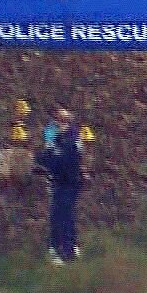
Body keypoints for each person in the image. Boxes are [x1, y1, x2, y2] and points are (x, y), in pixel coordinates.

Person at [34, 106, 84, 265]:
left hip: (71, 181)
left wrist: (55, 155)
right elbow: (45, 157)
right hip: (58, 181)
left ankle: (69, 247)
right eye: (58, 117)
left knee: (66, 214)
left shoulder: (74, 136)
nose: (60, 121)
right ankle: (56, 248)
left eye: (64, 118)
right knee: (58, 215)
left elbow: (71, 156)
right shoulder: (51, 134)